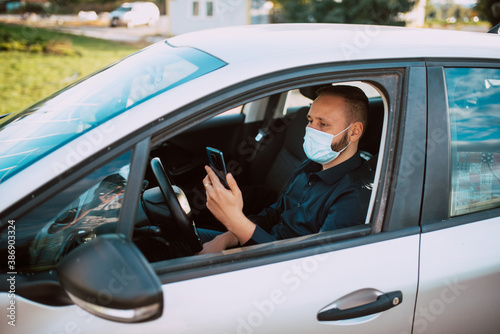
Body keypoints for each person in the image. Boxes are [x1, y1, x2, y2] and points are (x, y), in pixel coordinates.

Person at [199, 85, 374, 254]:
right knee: (178, 238)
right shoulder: (310, 165)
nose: (310, 130)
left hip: (274, 265)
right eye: (310, 120)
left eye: (323, 124)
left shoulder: (354, 196)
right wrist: (228, 237)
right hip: (260, 243)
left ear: (354, 132)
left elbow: (305, 262)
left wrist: (234, 221)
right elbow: (275, 213)